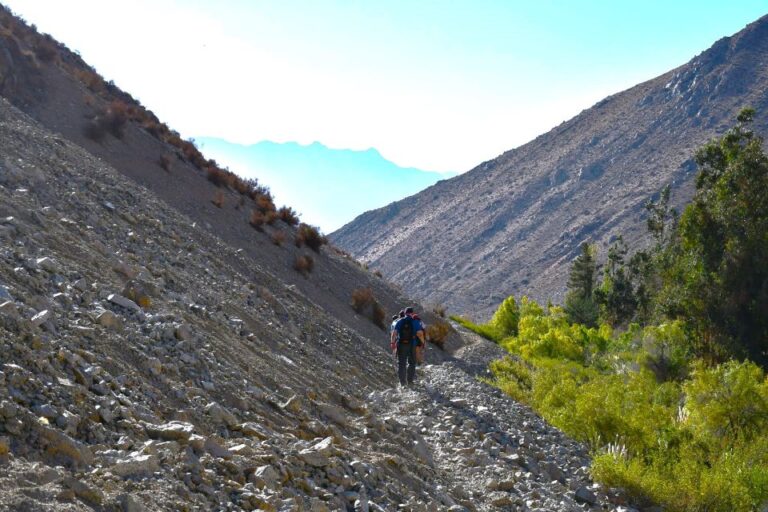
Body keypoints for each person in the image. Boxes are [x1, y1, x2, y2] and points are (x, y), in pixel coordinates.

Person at [390, 307, 425, 386]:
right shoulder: (415, 322)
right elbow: (420, 333)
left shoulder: (399, 321)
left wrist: (392, 343)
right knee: (412, 363)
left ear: (405, 313)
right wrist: (423, 342)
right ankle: (410, 381)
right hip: (412, 345)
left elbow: (394, 333)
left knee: (401, 364)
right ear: (412, 313)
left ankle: (402, 383)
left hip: (401, 344)